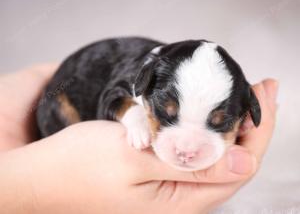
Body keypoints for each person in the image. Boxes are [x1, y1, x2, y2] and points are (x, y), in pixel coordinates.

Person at [0, 64, 278, 214]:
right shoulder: (148, 75)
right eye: (168, 116)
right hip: (64, 107)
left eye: (220, 124)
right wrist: (31, 190)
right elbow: (114, 96)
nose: (187, 148)